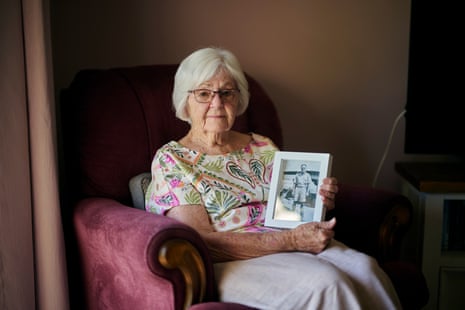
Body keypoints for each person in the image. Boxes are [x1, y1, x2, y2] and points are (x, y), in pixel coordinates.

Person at [145, 47, 401, 310]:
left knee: (368, 270)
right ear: (185, 101)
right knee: (327, 284)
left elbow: (291, 212)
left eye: (226, 92)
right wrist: (290, 241)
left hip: (289, 246)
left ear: (239, 98)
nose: (217, 103)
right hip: (235, 261)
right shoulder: (174, 160)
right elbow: (201, 241)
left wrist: (317, 200)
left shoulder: (262, 146)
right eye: (204, 93)